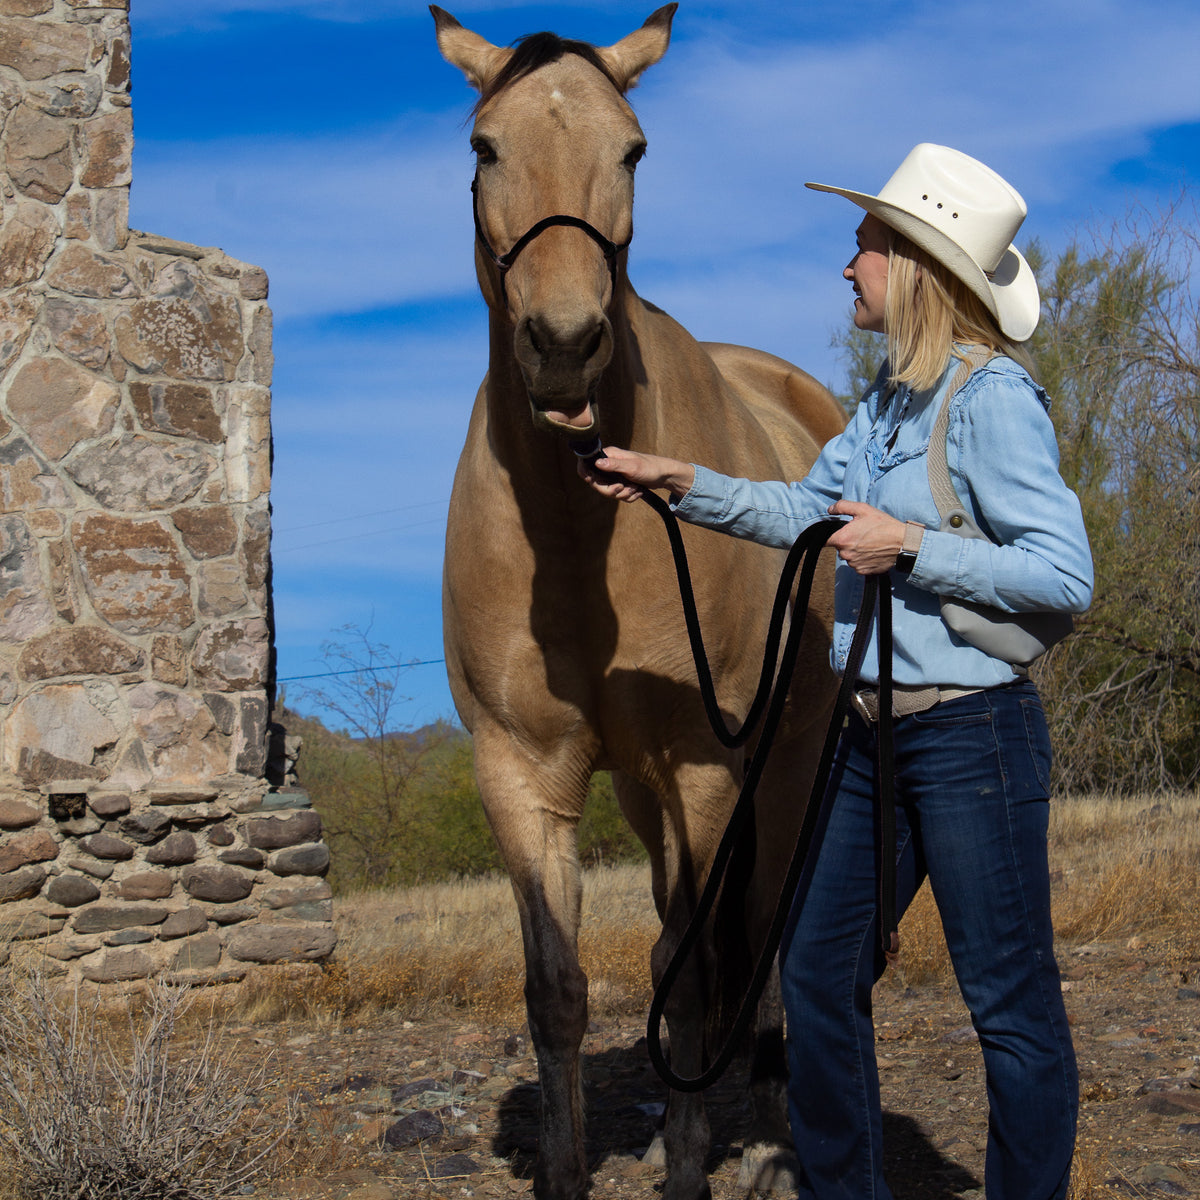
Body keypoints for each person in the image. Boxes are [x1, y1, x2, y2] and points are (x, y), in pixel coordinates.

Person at [579, 143, 1092, 1200]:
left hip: (971, 739)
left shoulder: (989, 399)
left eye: (862, 247)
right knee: (815, 971)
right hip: (869, 741)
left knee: (1008, 1002)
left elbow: (1062, 578)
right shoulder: (885, 408)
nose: (846, 267)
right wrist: (679, 482)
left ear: (914, 267)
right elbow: (804, 517)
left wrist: (909, 548)